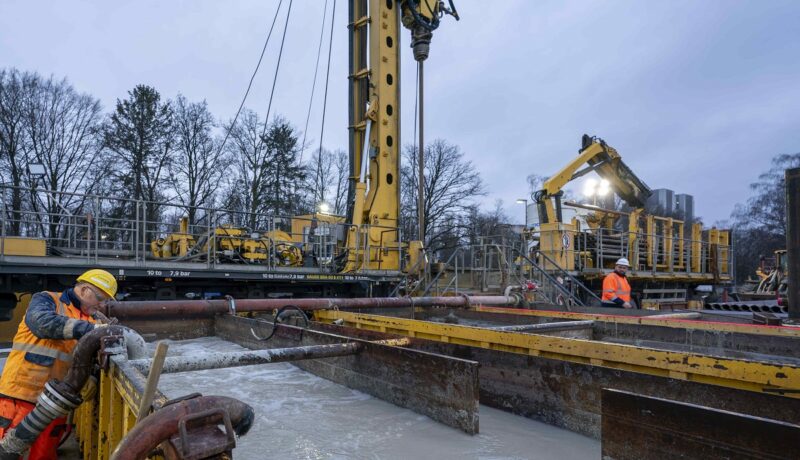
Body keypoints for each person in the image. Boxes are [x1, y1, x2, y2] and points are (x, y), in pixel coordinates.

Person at [0, 269, 116, 459]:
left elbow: (92, 358)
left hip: (56, 403)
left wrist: (92, 378)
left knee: (44, 455)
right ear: (85, 290)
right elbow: (42, 323)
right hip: (21, 395)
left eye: (106, 301)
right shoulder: (47, 300)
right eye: (100, 299)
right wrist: (94, 330)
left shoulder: (93, 319)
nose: (102, 305)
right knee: (9, 452)